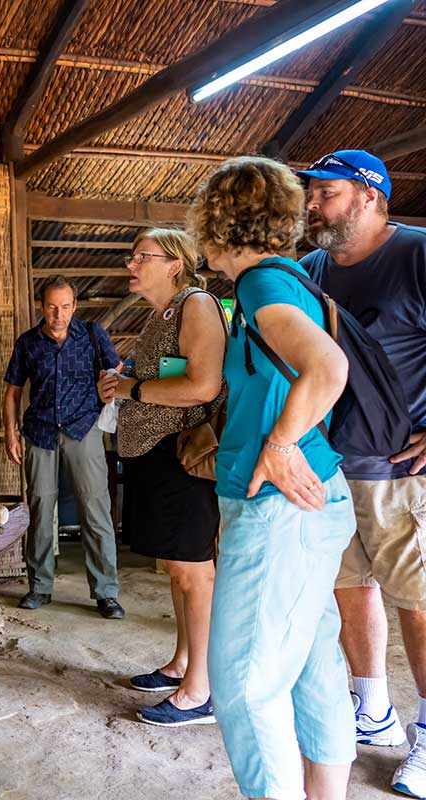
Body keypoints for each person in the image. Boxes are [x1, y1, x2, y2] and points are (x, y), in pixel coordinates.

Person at [189, 156, 355, 800]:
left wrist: (280, 444)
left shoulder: (261, 285)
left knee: (243, 683)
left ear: (218, 222)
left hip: (281, 509)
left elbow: (327, 367)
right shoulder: (285, 279)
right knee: (312, 665)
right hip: (314, 500)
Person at [299, 149, 426, 798]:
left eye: (327, 194)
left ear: (370, 196)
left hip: (401, 471)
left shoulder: (417, 255)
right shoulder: (312, 270)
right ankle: (373, 707)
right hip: (331, 466)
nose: (313, 205)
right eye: (312, 194)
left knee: (419, 604)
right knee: (350, 588)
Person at [97, 228, 225, 728]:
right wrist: (120, 384)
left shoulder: (197, 305)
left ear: (174, 264)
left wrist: (130, 387)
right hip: (155, 454)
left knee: (194, 570)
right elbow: (157, 378)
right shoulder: (161, 315)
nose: (131, 264)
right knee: (176, 566)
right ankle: (182, 664)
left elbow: (202, 386)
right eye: (131, 257)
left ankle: (201, 690)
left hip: (181, 455)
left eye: (141, 257)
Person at [3, 275, 125, 619]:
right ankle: (39, 587)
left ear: (75, 306)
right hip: (39, 432)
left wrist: (104, 390)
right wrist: (10, 433)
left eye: (66, 307)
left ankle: (106, 592)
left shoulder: (92, 334)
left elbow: (115, 369)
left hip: (83, 429)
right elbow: (13, 391)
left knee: (96, 507)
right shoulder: (28, 343)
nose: (59, 314)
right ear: (41, 306)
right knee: (41, 507)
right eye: (52, 307)